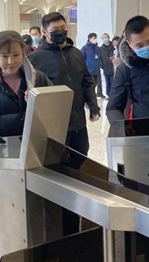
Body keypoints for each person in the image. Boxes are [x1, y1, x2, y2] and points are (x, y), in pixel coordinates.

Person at [28, 12, 100, 156]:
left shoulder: (76, 53)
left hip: (78, 123)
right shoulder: (35, 59)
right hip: (53, 127)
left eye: (63, 28)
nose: (60, 32)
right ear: (44, 32)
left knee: (81, 160)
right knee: (56, 164)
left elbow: (87, 81)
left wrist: (93, 105)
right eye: (55, 30)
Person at [0, 31, 52, 144]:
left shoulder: (38, 80)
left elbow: (55, 111)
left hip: (38, 147)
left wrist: (38, 104)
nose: (11, 61)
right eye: (4, 56)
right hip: (5, 151)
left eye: (16, 55)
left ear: (23, 53)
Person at [81, 33, 104, 99]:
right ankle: (89, 99)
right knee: (90, 86)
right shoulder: (85, 48)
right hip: (89, 70)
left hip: (97, 70)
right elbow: (82, 59)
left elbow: (100, 58)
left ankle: (95, 96)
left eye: (96, 38)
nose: (95, 39)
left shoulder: (98, 48)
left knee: (95, 84)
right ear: (89, 39)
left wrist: (101, 65)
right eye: (93, 38)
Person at [99, 33, 115, 98]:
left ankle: (113, 95)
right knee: (107, 82)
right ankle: (108, 94)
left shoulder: (113, 47)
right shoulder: (101, 48)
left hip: (113, 67)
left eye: (106, 37)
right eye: (103, 38)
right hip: (105, 68)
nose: (105, 39)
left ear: (108, 38)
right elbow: (100, 58)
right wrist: (102, 66)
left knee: (113, 82)